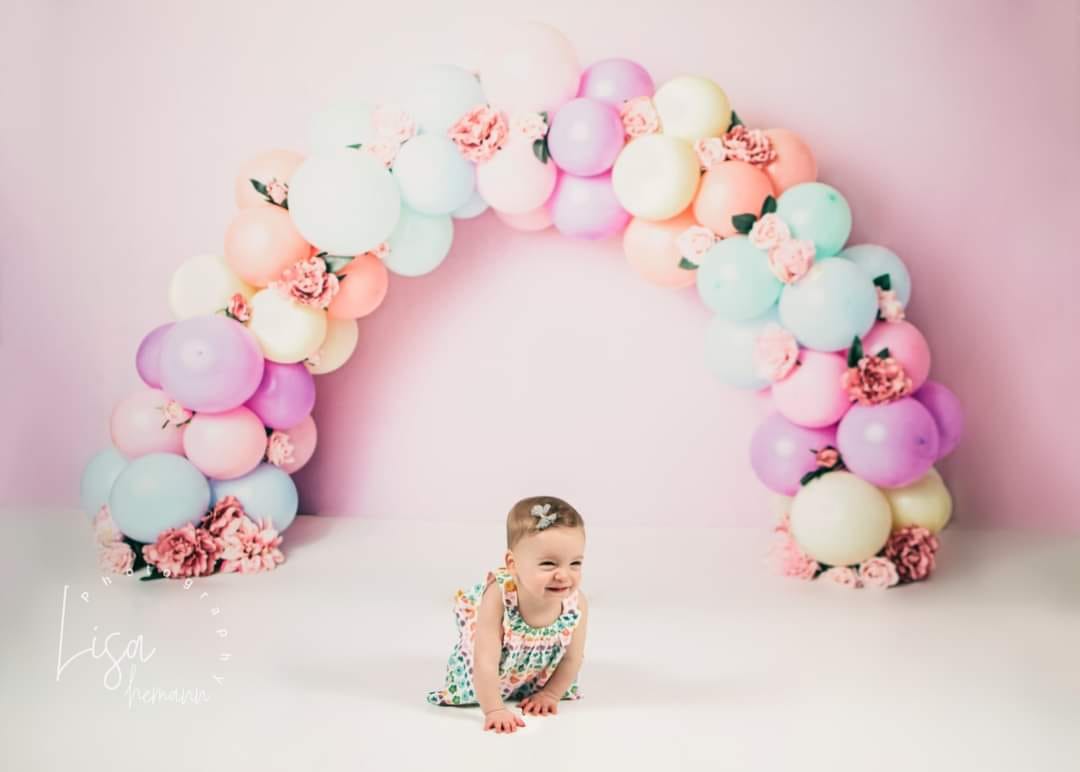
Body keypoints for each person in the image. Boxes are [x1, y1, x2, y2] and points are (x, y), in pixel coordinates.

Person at [426, 495, 589, 733]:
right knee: (481, 669)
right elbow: (485, 660)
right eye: (548, 564)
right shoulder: (500, 596)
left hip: (540, 679)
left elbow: (572, 658)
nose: (564, 575)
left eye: (575, 563)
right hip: (488, 678)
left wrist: (551, 694)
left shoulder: (576, 603)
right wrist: (494, 709)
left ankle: (537, 687)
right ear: (512, 563)